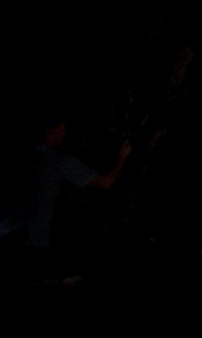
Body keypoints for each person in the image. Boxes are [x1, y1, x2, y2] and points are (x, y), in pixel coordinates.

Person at [2, 111, 132, 282]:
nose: (61, 137)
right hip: (35, 241)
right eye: (59, 133)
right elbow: (105, 183)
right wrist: (122, 159)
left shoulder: (27, 157)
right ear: (50, 133)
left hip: (12, 232)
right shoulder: (56, 161)